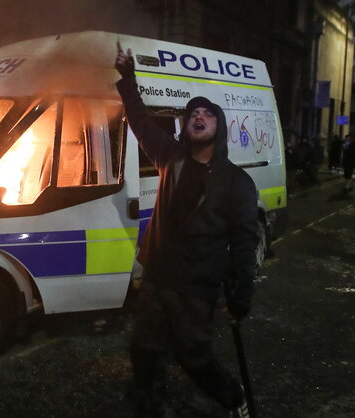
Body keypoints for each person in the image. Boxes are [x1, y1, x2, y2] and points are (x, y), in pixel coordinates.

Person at [115, 43, 258, 418]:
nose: (198, 116)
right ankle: (149, 405)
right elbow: (141, 120)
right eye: (193, 112)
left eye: (207, 113)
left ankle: (232, 397)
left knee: (193, 358)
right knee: (144, 350)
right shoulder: (170, 158)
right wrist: (128, 77)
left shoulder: (236, 183)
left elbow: (245, 242)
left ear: (219, 126)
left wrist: (242, 293)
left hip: (196, 288)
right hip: (158, 279)